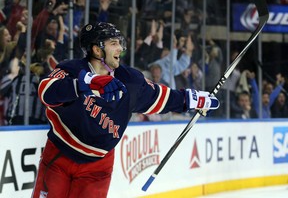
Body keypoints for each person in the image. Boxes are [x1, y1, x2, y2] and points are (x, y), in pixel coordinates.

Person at [32, 22, 220, 198]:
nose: (120, 49)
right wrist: (84, 84)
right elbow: (46, 91)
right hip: (59, 156)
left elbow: (161, 97)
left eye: (120, 43)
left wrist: (193, 100)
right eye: (113, 43)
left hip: (98, 167)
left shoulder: (130, 80)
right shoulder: (71, 69)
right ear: (97, 49)